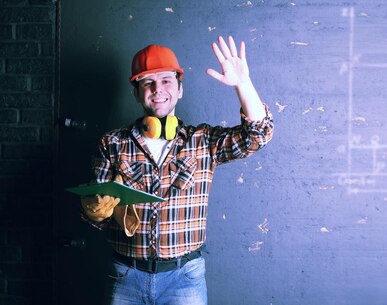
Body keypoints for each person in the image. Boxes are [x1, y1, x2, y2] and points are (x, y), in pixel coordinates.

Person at [79, 36, 274, 304]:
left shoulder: (203, 140)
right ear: (136, 93)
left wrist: (243, 84)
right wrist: (94, 211)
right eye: (147, 82)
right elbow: (97, 213)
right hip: (126, 276)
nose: (157, 89)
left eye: (166, 80)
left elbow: (258, 136)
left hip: (185, 279)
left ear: (180, 89)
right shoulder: (112, 143)